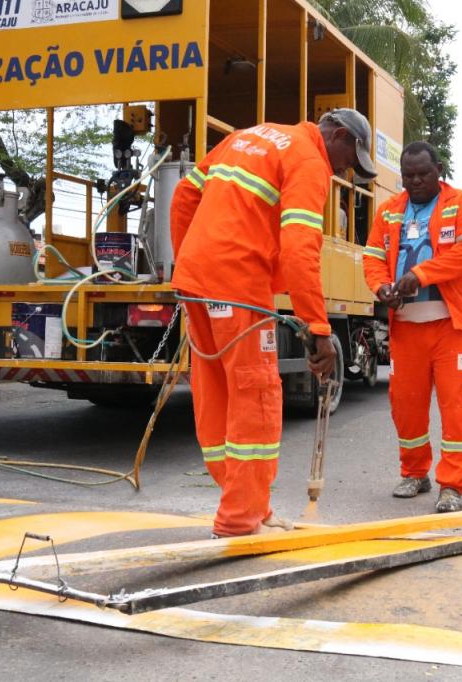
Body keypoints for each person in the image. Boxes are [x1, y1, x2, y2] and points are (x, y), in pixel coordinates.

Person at [170, 109, 377, 537]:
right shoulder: (308, 159)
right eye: (348, 160)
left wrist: (190, 264)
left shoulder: (251, 135)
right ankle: (240, 518)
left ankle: (246, 504)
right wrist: (317, 328)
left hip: (197, 282)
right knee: (256, 397)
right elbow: (300, 247)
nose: (344, 170)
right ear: (338, 135)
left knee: (217, 391)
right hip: (239, 285)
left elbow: (183, 198)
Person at [362, 141, 462, 513]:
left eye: (422, 174)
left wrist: (421, 274)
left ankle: (453, 486)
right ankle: (415, 473)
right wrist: (381, 287)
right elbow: (372, 257)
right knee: (407, 405)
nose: (414, 181)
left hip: (452, 326)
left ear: (439, 169)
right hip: (407, 329)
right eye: (408, 175)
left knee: (457, 406)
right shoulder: (388, 212)